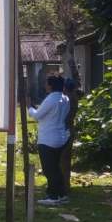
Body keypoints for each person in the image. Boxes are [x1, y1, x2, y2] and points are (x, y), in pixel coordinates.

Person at [27, 74, 71, 205]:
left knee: (49, 170)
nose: (44, 85)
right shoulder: (65, 98)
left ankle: (53, 196)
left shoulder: (51, 99)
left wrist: (30, 107)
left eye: (46, 83)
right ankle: (61, 194)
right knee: (56, 168)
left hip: (48, 139)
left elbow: (37, 116)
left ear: (51, 86)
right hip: (61, 137)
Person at [61, 77, 82, 192]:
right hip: (70, 127)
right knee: (66, 158)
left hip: (65, 128)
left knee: (62, 159)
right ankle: (66, 183)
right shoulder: (74, 97)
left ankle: (63, 185)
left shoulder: (67, 99)